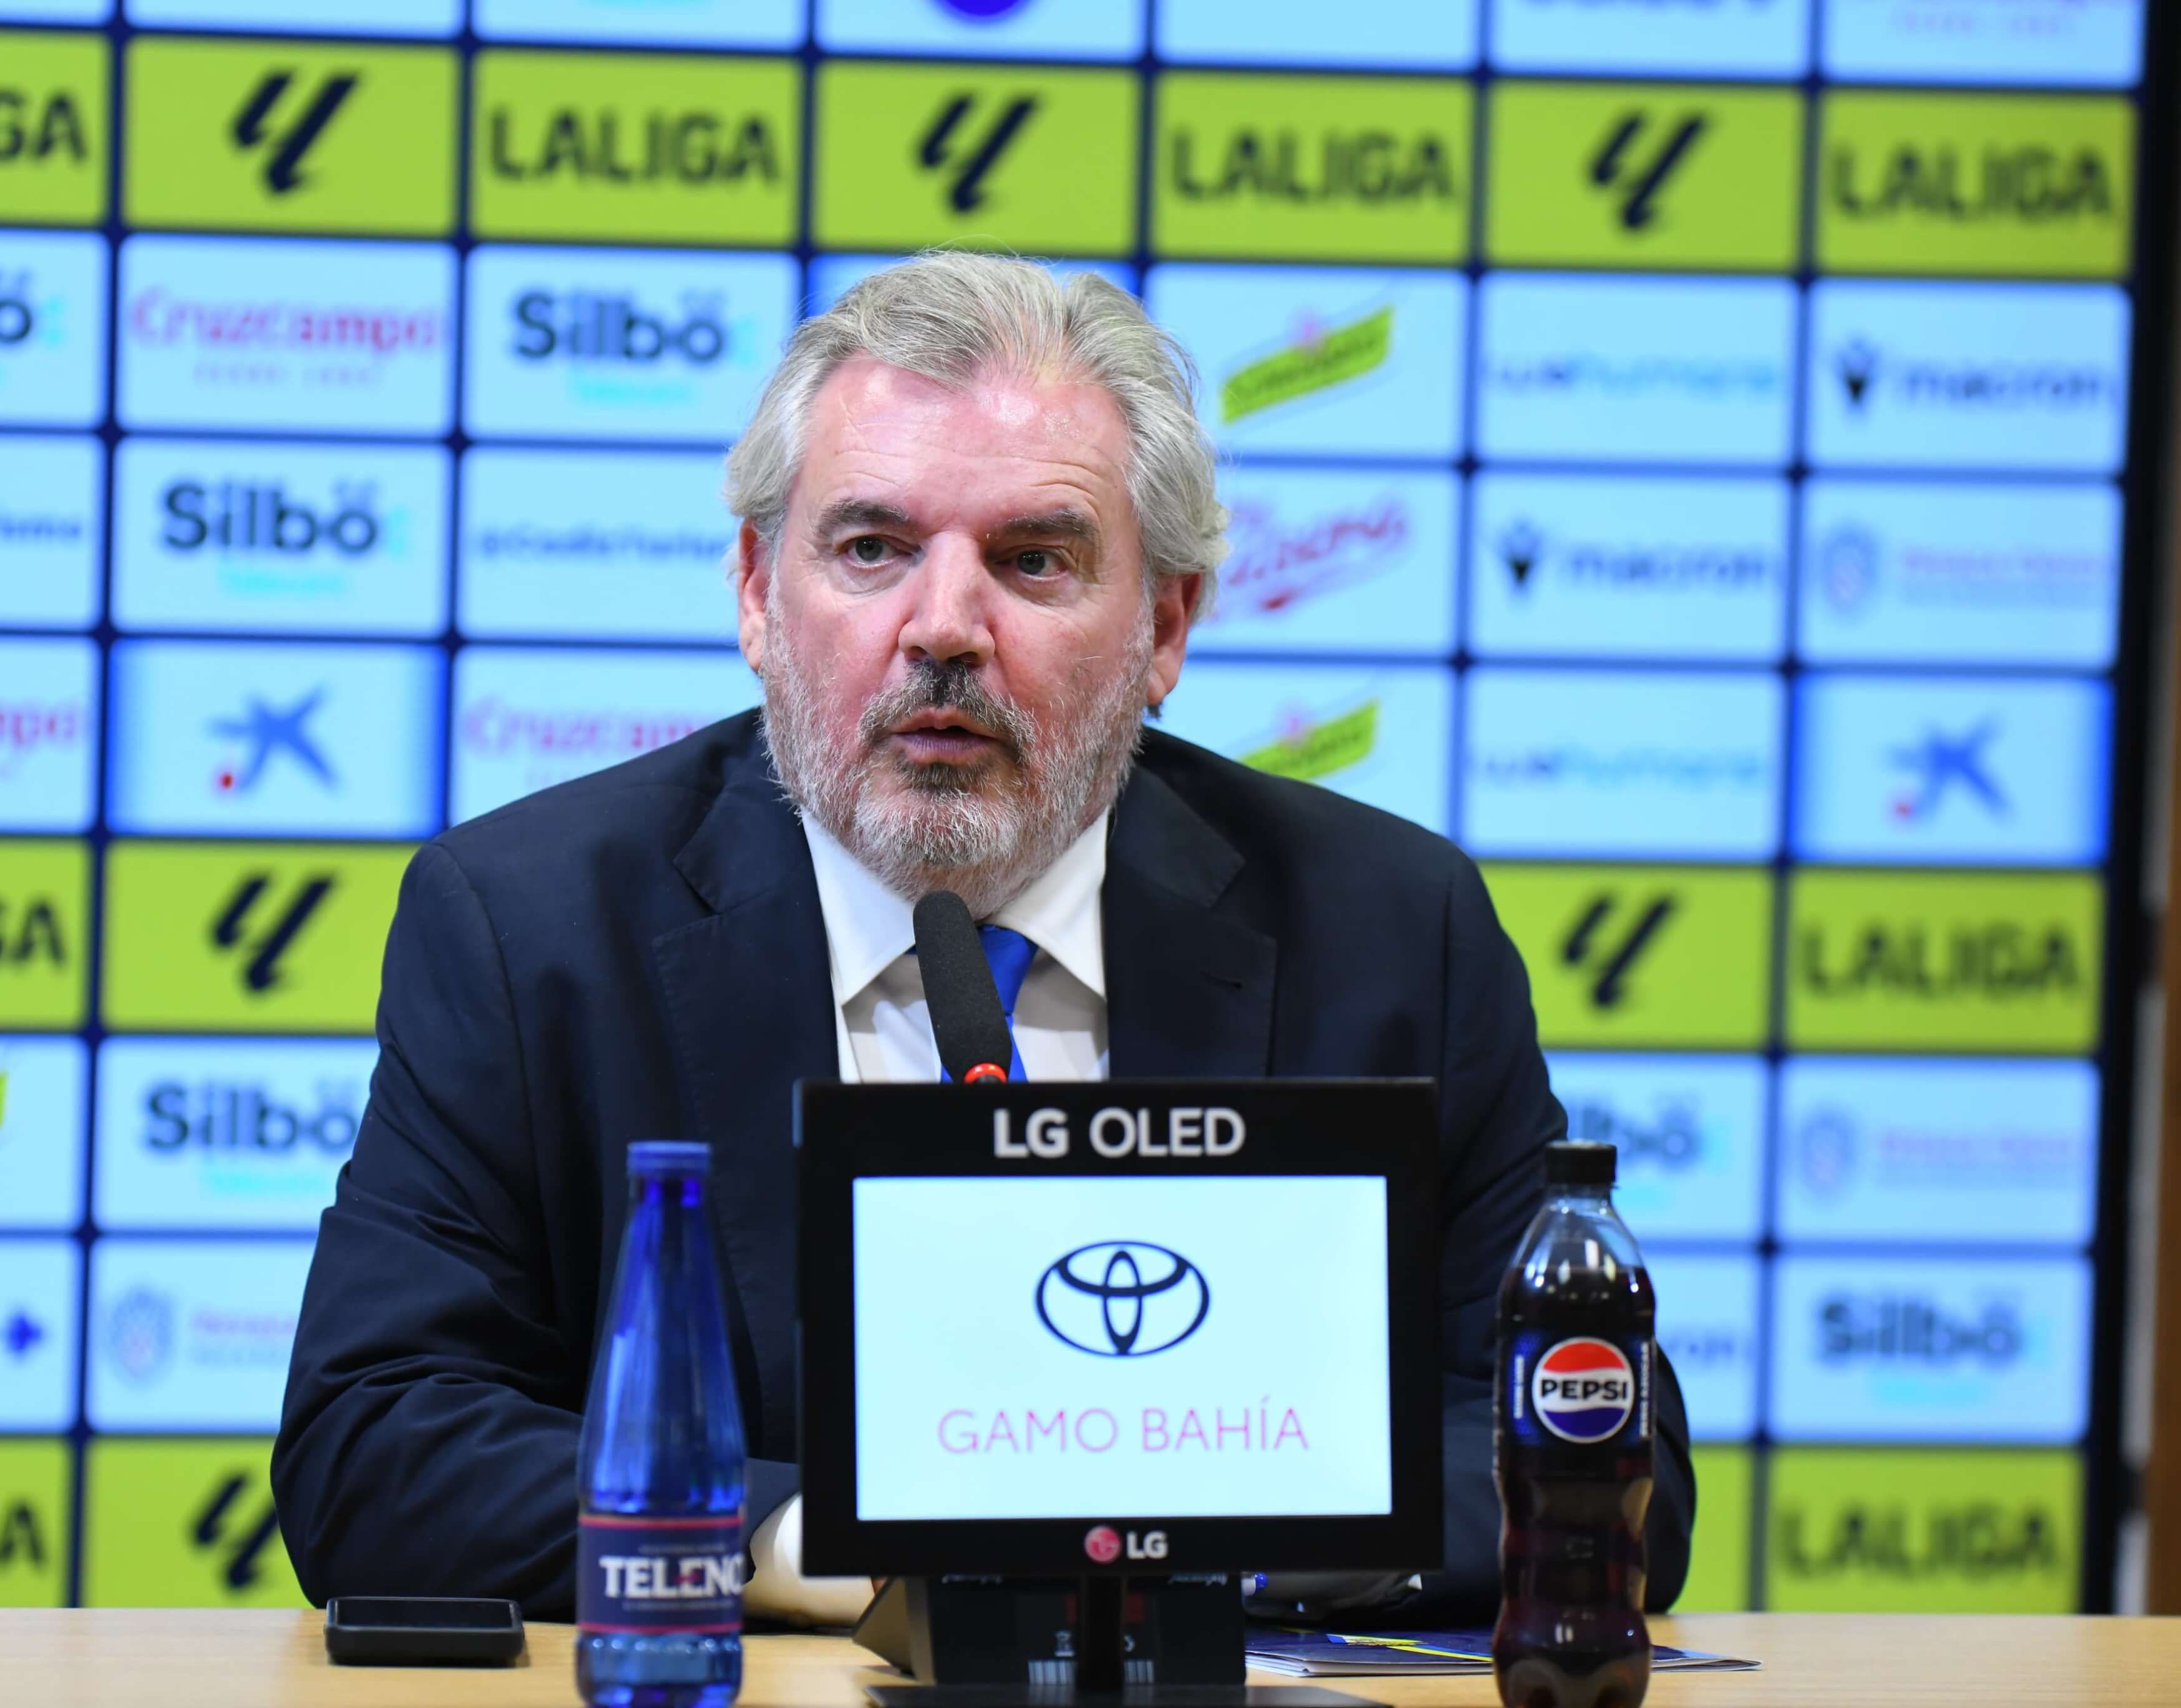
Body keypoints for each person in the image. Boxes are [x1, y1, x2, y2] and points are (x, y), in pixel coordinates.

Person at [272, 251, 1694, 1626]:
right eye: (872, 547)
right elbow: (375, 1440)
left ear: (1164, 625)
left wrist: (1174, 1556)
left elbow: (1606, 1464)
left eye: (1031, 559)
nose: (941, 627)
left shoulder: (1390, 933)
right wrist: (815, 1545)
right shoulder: (532, 927)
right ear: (760, 596)